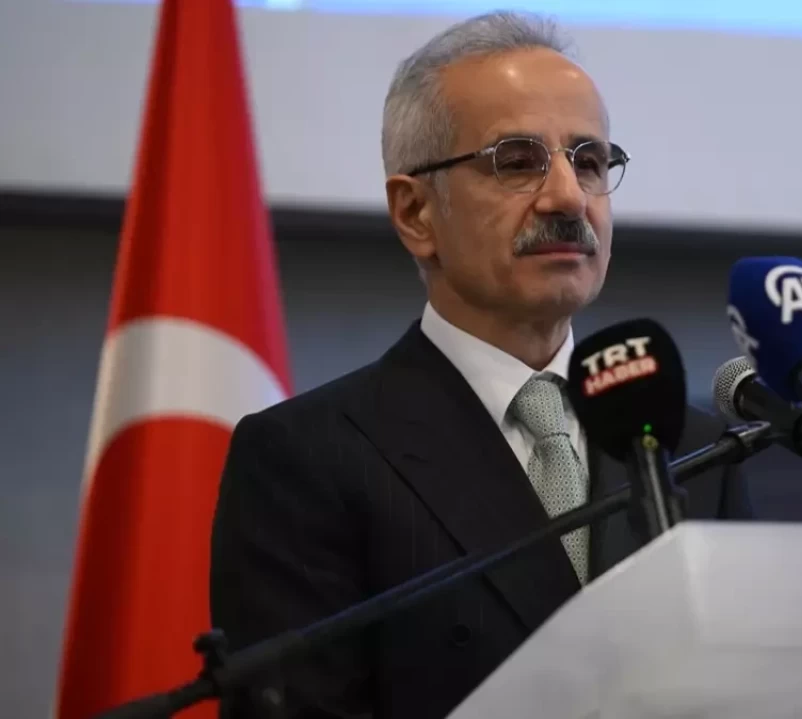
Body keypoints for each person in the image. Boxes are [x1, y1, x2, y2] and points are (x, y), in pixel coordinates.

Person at [209, 11, 753, 719]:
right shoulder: (306, 459)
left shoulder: (697, 447)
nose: (568, 196)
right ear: (415, 213)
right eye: (517, 161)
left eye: (589, 161)